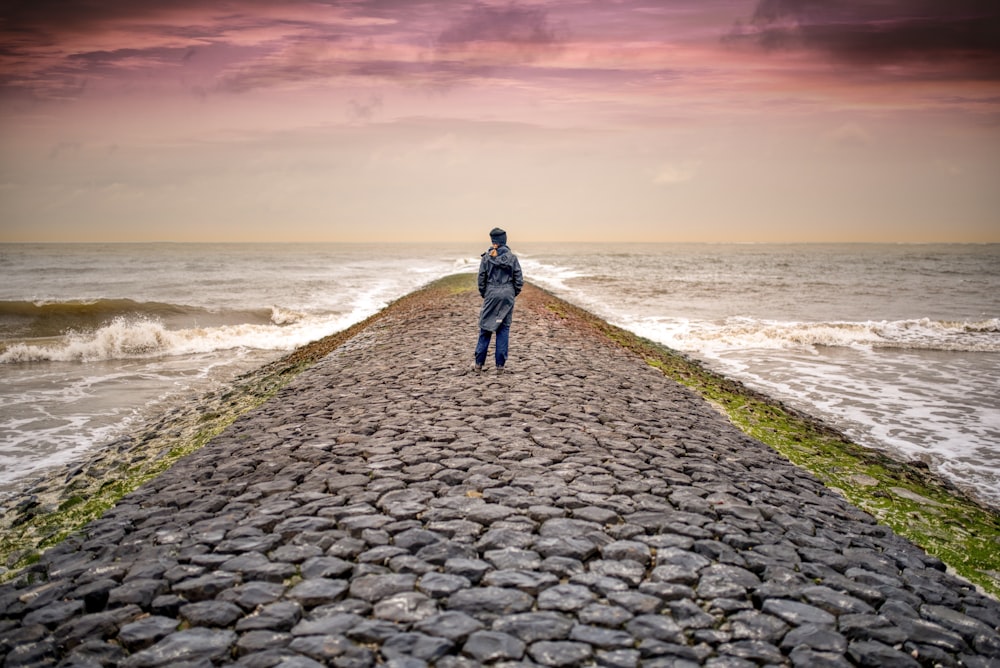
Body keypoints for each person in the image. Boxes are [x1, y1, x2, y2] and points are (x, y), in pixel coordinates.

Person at [474, 227, 523, 375]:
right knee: (503, 328)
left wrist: (486, 293)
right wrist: (511, 293)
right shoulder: (512, 258)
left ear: (493, 241)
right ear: (505, 240)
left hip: (491, 292)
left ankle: (478, 364)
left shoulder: (486, 258)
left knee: (485, 327)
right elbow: (519, 280)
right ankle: (500, 366)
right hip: (507, 293)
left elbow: (481, 279)